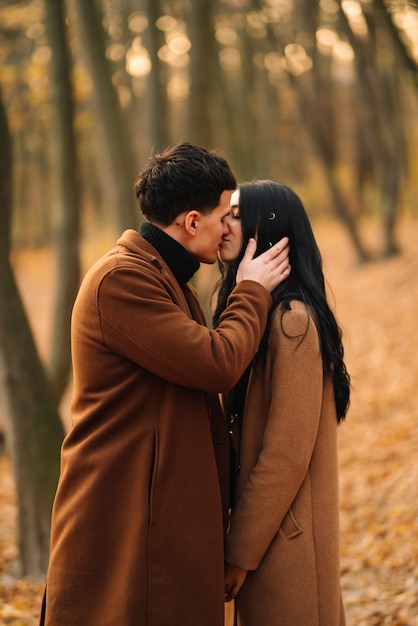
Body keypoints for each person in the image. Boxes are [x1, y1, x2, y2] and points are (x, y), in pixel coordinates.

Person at [40, 144, 291, 626]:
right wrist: (253, 290)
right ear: (192, 222)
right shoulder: (122, 281)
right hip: (124, 524)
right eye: (224, 215)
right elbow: (216, 362)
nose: (227, 230)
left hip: (155, 520)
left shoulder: (164, 277)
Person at [213, 180, 350, 625]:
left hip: (287, 545)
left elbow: (285, 455)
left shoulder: (293, 324)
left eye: (236, 214)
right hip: (269, 538)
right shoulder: (259, 315)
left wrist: (240, 551)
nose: (224, 224)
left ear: (265, 229)